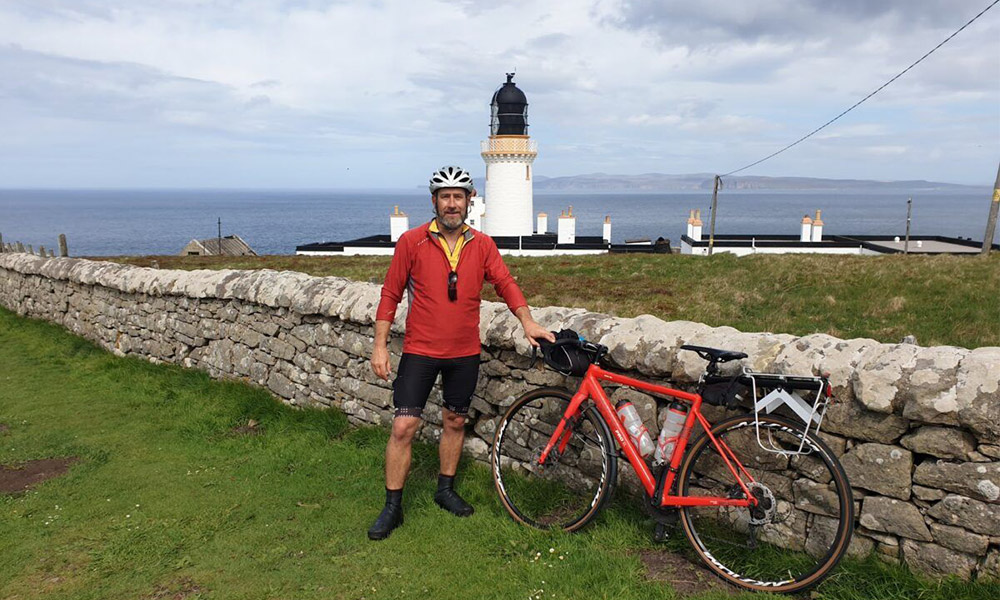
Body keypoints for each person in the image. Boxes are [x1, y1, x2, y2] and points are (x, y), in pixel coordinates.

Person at [367, 165, 554, 540]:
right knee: (404, 425)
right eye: (445, 197)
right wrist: (380, 345)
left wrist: (528, 321)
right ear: (434, 201)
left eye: (459, 197)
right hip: (420, 350)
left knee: (455, 421)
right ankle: (392, 507)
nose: (452, 204)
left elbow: (505, 283)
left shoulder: (482, 245)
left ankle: (445, 490)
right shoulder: (413, 242)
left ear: (470, 201)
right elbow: (390, 293)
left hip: (464, 352)